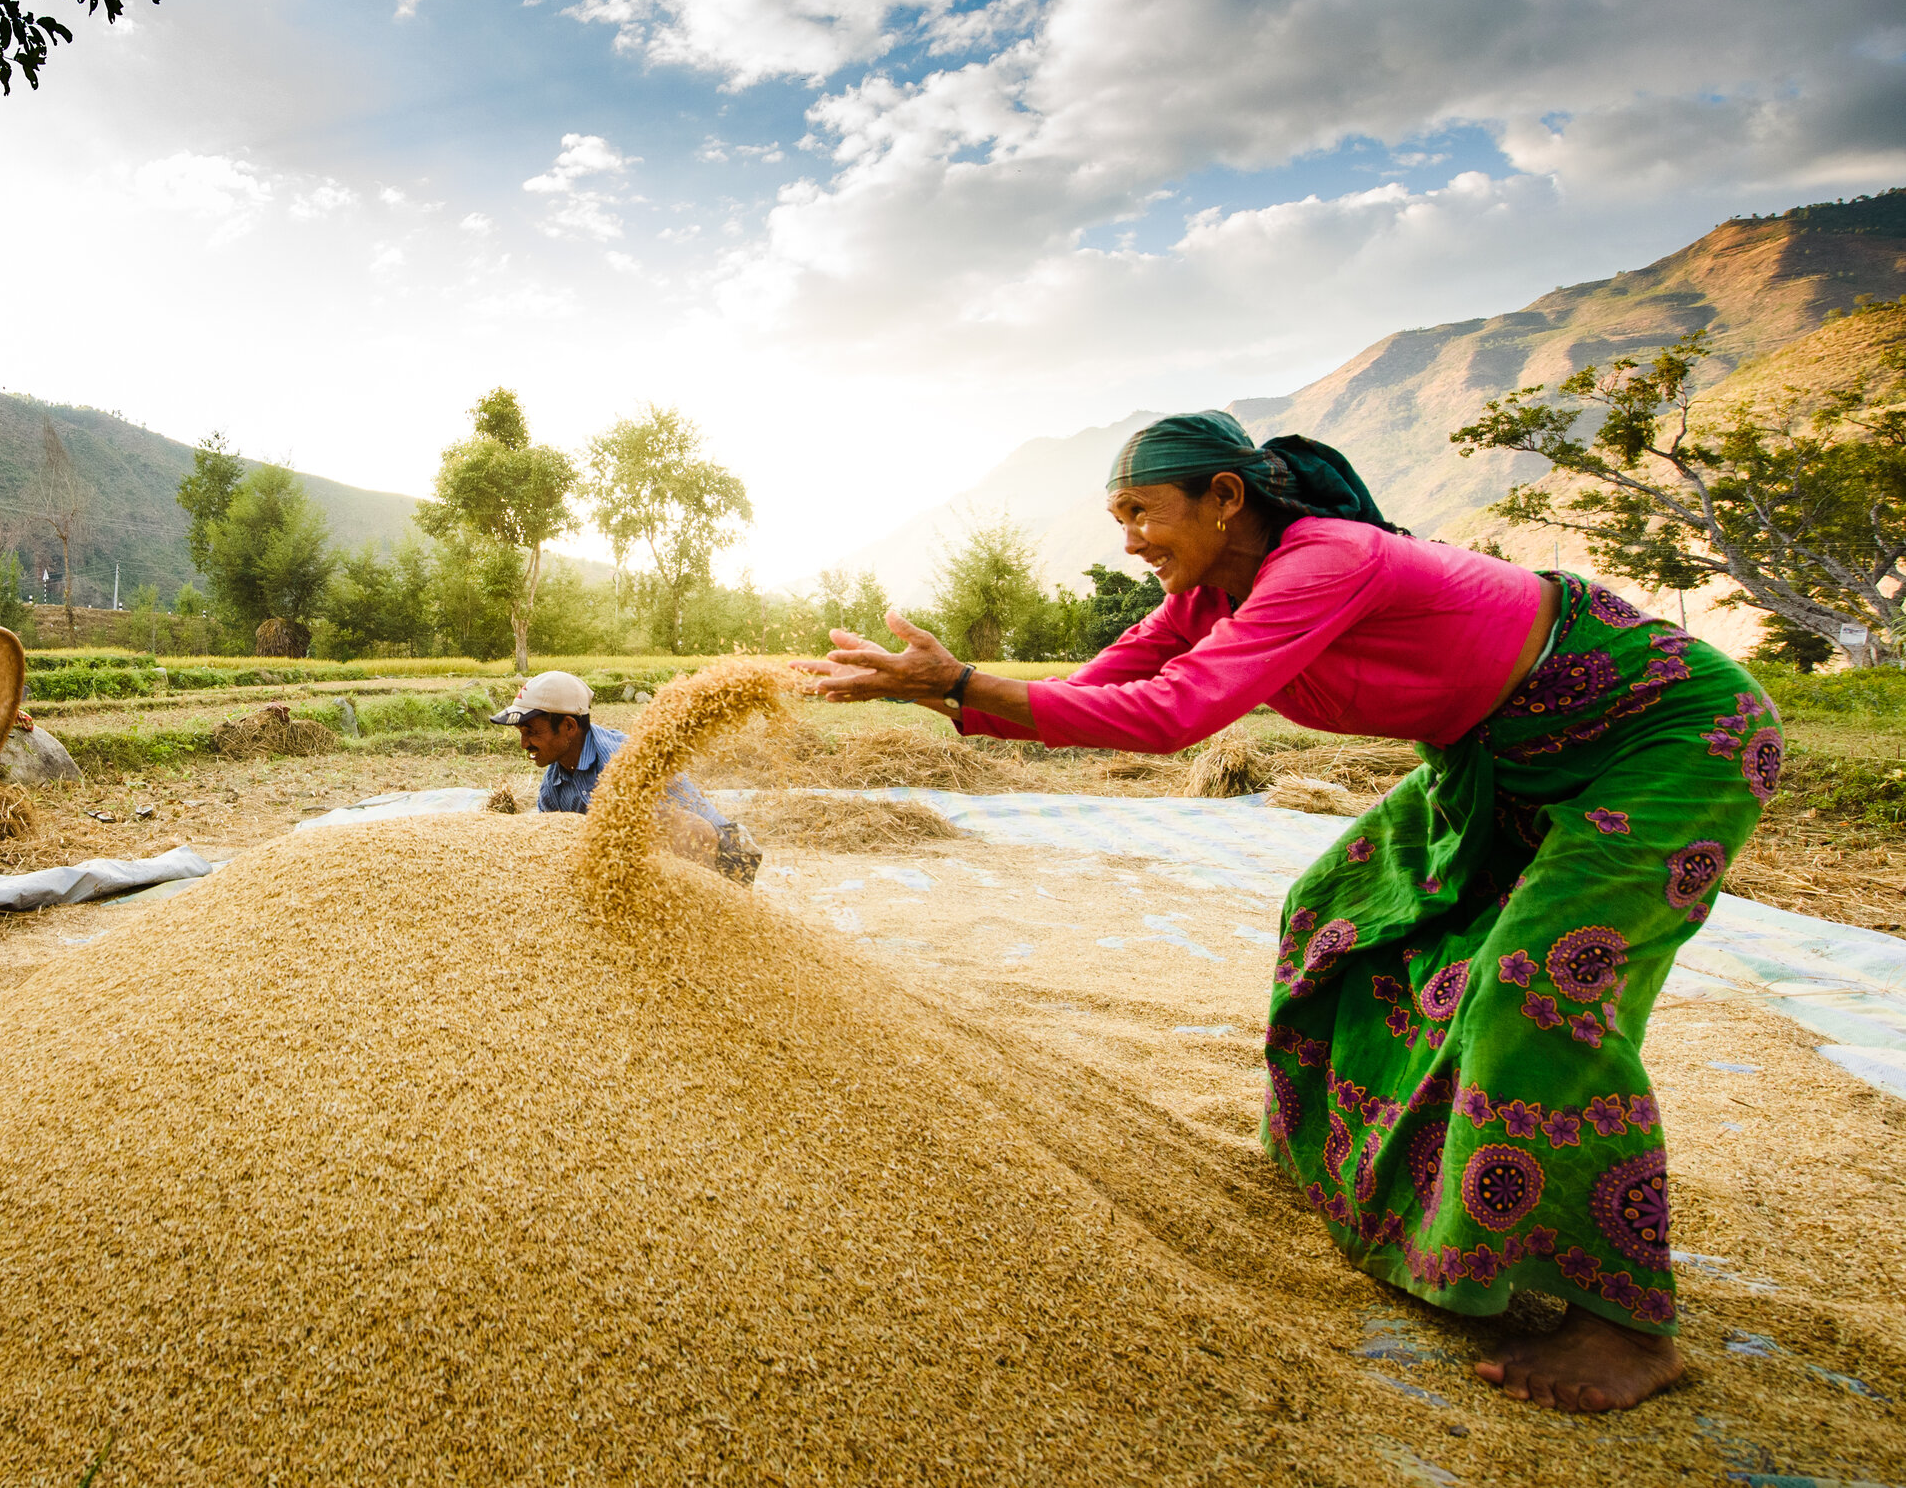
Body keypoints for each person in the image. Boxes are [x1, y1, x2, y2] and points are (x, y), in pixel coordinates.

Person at [795, 411, 1778, 1415]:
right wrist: (941, 694)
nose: (1126, 537)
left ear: (1225, 498)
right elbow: (1097, 693)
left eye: (1141, 512)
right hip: (1500, 756)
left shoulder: (1324, 560)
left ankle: (1626, 1322)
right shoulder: (1204, 596)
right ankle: (1368, 1166)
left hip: (1661, 734)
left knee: (1534, 987)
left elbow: (1175, 716)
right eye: (1115, 516)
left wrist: (963, 681)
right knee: (1337, 913)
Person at [489, 671, 761, 881]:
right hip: (655, 866)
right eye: (522, 734)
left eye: (532, 732)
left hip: (727, 853)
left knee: (656, 827)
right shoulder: (553, 788)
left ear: (569, 726)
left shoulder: (625, 761)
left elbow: (662, 838)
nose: (524, 744)